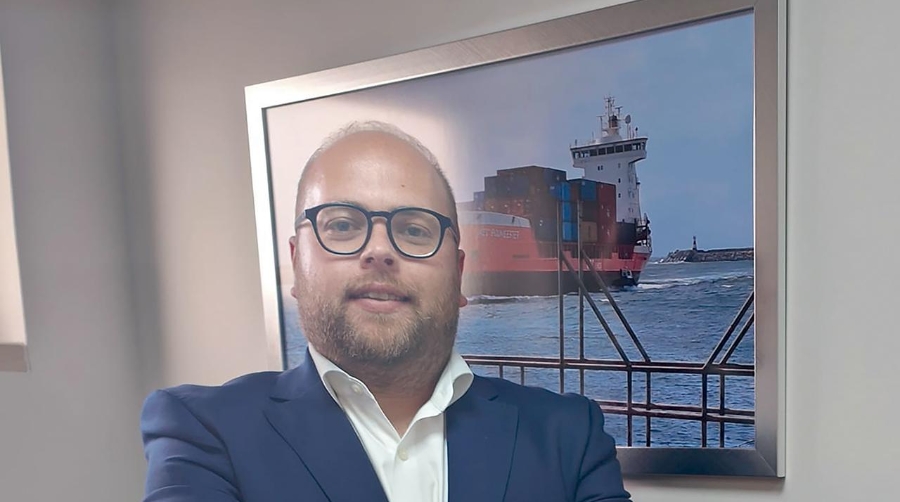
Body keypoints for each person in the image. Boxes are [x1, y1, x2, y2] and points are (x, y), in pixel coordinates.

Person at [140, 121, 632, 502]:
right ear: (296, 263)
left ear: (460, 274)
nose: (379, 251)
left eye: (415, 230)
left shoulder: (570, 435)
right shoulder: (202, 429)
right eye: (341, 225)